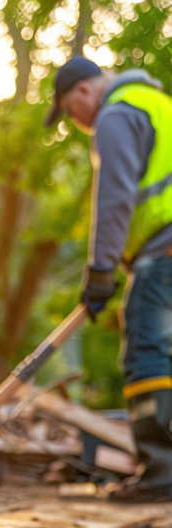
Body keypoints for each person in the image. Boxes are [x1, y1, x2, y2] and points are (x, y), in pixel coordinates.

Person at [45, 56, 172, 501]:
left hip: (164, 252)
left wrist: (100, 271)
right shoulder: (156, 102)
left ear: (82, 91)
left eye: (67, 110)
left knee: (148, 353)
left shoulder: (116, 115)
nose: (72, 121)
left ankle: (162, 471)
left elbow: (115, 199)